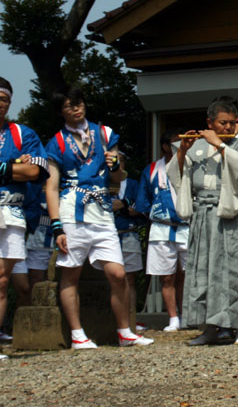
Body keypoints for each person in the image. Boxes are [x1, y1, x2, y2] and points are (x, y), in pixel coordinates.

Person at [45, 86, 152, 349]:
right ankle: (77, 334)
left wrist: (116, 166)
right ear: (61, 111)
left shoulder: (104, 134)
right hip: (71, 208)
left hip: (102, 209)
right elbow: (51, 186)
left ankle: (125, 331)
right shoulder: (56, 142)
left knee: (117, 273)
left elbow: (119, 177)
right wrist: (57, 226)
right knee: (71, 274)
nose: (77, 108)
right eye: (70, 105)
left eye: (79, 102)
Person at [167, 97, 238, 345]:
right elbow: (177, 175)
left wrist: (222, 147)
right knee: (203, 272)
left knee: (234, 271)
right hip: (203, 215)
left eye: (231, 123)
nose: (227, 128)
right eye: (222, 123)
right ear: (209, 122)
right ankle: (209, 328)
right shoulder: (195, 147)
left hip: (231, 214)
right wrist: (182, 150)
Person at [0, 78, 48, 357]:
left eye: (4, 99)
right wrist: (13, 166)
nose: (0, 104)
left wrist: (5, 168)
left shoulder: (23, 134)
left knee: (3, 280)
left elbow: (34, 172)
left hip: (12, 210)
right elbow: (22, 168)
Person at [135, 130, 188, 332]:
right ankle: (173, 317)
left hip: (186, 226)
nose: (179, 146)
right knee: (166, 276)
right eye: (175, 142)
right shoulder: (151, 171)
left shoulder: (190, 167)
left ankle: (186, 313)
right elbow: (143, 202)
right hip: (162, 227)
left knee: (188, 273)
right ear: (165, 146)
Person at [112, 152, 146, 331]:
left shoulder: (132, 184)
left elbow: (138, 207)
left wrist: (123, 204)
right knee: (110, 278)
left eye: (121, 160)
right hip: (109, 233)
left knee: (130, 278)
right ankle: (111, 317)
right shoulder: (101, 182)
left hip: (129, 232)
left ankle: (132, 317)